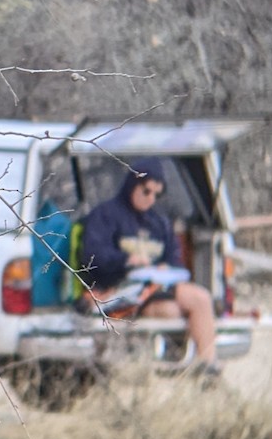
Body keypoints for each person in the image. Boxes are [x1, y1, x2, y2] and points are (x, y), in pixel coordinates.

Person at [78, 157, 219, 371]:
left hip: (158, 286)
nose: (151, 199)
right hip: (120, 290)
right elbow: (93, 255)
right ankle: (167, 367)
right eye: (146, 191)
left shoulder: (160, 222)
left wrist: (167, 268)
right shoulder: (105, 215)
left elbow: (175, 259)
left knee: (201, 298)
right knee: (171, 312)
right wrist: (126, 261)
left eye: (157, 194)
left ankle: (208, 367)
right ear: (133, 184)